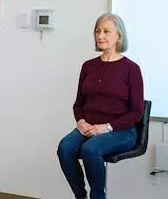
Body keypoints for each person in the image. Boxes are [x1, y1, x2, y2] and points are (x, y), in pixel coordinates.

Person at [57, 13, 144, 199]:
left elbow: (137, 112)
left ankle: (98, 196)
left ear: (119, 36)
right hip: (89, 127)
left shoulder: (131, 69)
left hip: (121, 131)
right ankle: (81, 196)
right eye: (97, 31)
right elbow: (78, 103)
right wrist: (81, 122)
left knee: (90, 149)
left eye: (106, 31)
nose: (100, 36)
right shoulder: (88, 66)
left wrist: (106, 128)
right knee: (64, 148)